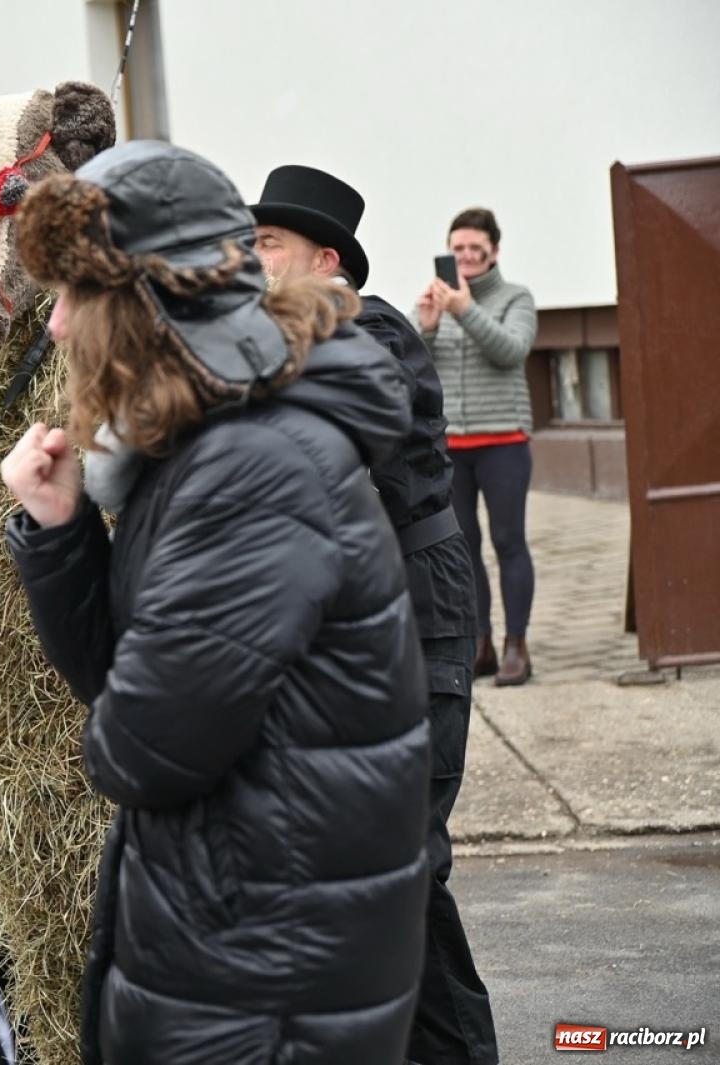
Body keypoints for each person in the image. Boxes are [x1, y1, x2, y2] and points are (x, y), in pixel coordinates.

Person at [1, 141, 430, 1064]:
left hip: (264, 981)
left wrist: (117, 718)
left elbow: (140, 751)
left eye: (80, 297)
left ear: (148, 306)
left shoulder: (249, 466)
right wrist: (60, 527)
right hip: (245, 932)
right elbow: (120, 677)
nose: (63, 327)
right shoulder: (206, 440)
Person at [252, 165, 499, 1065]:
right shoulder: (282, 336)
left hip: (418, 614)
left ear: (327, 262)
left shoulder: (369, 323)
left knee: (406, 863)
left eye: (267, 245)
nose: (249, 260)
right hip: (358, 626)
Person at [418, 207, 538, 686]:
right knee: (463, 549)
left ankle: (517, 646)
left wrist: (463, 310)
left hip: (504, 441)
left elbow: (511, 350)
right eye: (458, 248)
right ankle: (481, 643)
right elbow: (416, 372)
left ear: (494, 252)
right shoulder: (436, 301)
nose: (465, 256)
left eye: (475, 249)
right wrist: (427, 327)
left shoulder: (515, 298)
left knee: (509, 542)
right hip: (452, 447)